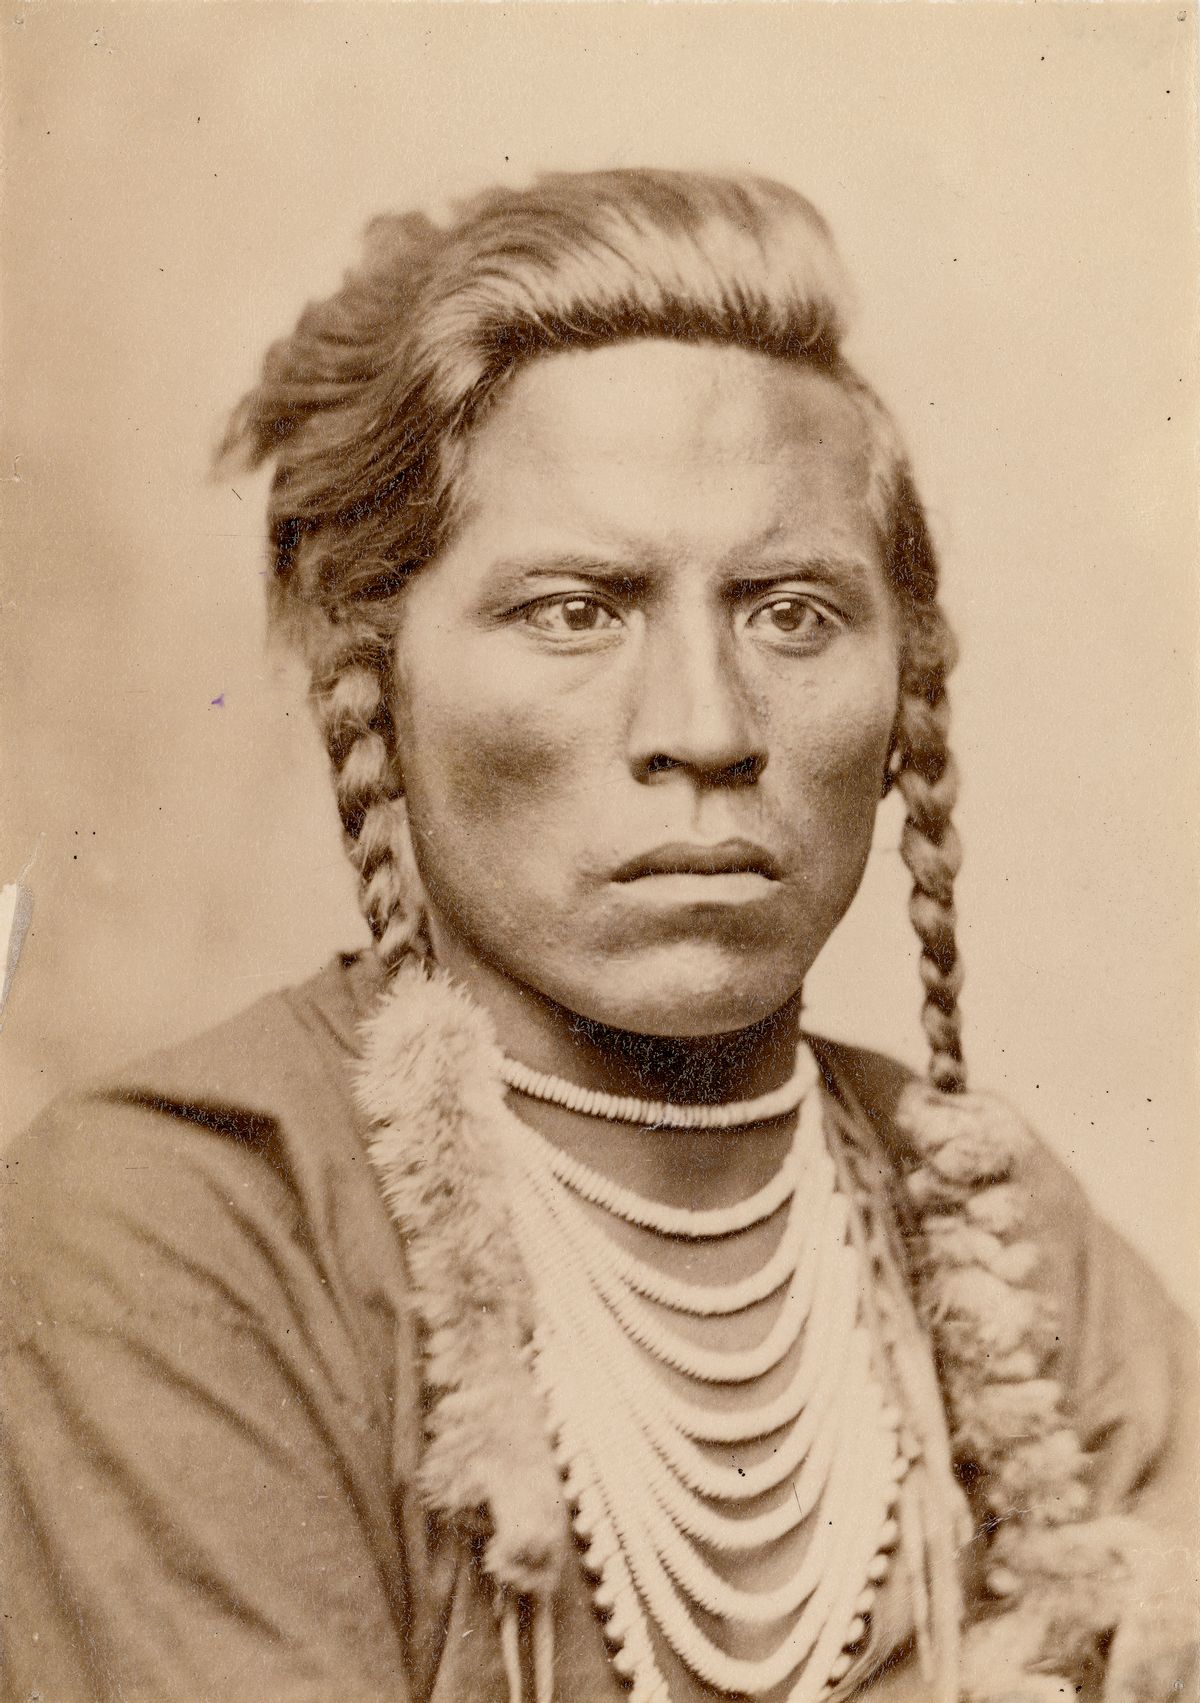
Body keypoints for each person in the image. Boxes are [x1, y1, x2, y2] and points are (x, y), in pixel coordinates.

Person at [2, 171, 1195, 1703]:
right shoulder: (180, 1225)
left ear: (910, 688)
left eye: (791, 613)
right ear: (371, 674)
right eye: (576, 610)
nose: (704, 728)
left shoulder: (1006, 1238)